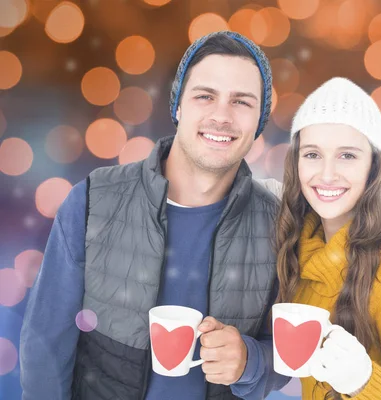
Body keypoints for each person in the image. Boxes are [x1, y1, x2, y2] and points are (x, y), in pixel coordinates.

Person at [20, 31, 289, 400]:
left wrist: (252, 361)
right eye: (205, 96)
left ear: (259, 120)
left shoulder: (280, 225)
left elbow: (292, 352)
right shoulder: (93, 201)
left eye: (242, 102)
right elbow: (45, 346)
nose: (221, 116)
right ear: (178, 105)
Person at [272, 77, 381, 399]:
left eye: (347, 156)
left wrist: (363, 383)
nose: (326, 174)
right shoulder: (299, 249)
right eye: (312, 154)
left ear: (373, 167)